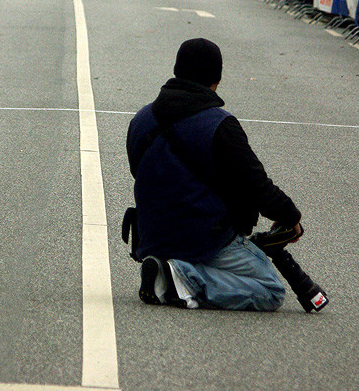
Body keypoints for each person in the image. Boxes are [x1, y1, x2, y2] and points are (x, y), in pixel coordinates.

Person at [126, 38, 303, 311]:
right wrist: (291, 217)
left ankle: (167, 269)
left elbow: (139, 172)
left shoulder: (141, 120)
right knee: (270, 289)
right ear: (216, 78)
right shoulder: (219, 125)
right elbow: (257, 186)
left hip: (153, 236)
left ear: (177, 70)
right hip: (204, 239)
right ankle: (183, 279)